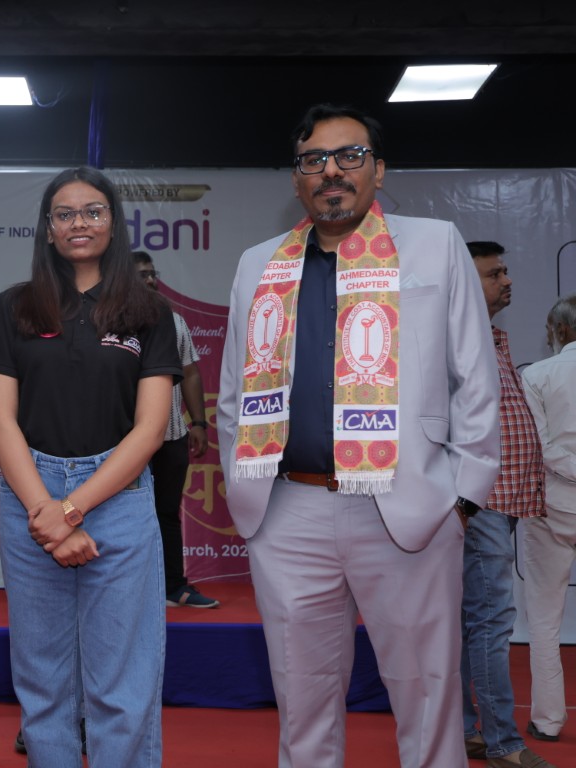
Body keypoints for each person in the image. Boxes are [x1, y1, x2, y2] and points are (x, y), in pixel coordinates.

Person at [217, 103, 500, 768]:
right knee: (302, 704)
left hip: (408, 504)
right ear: (296, 179)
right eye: (313, 160)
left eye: (349, 156)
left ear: (378, 170)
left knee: (428, 697)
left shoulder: (435, 244)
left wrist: (462, 499)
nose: (331, 172)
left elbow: (476, 379)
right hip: (289, 511)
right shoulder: (259, 263)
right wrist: (246, 486)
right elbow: (233, 391)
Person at [0, 166, 181, 767]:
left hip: (118, 498)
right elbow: (0, 421)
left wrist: (70, 510)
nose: (79, 223)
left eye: (93, 211)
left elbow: (150, 430)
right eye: (64, 214)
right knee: (43, 681)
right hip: (31, 498)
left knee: (123, 682)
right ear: (48, 229)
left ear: (113, 223)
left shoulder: (149, 311)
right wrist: (47, 510)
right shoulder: (15, 306)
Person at [461, 241, 551, 767]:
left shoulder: (490, 338)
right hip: (482, 502)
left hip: (499, 501)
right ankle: (503, 744)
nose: (507, 280)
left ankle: (468, 731)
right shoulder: (459, 341)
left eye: (506, 271)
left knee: (472, 622)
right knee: (491, 622)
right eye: (494, 274)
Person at [132, 251, 218, 608]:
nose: (151, 281)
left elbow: (191, 373)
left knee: (166, 512)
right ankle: (129, 591)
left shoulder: (174, 320)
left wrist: (197, 422)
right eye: (142, 275)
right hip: (124, 441)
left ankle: (174, 586)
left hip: (171, 436)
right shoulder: (109, 323)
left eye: (153, 274)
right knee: (124, 517)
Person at [521, 294, 576, 744]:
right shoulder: (536, 374)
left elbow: (540, 447)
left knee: (543, 619)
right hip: (552, 500)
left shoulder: (536, 375)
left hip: (551, 503)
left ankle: (548, 720)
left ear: (559, 330)